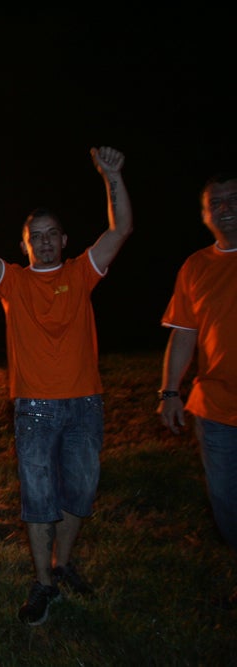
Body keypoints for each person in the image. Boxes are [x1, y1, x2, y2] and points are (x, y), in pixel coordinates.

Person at [0, 146, 133, 626]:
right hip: (33, 407)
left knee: (80, 490)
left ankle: (63, 562)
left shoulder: (80, 274)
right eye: (36, 237)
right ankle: (43, 583)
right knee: (38, 498)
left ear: (64, 239)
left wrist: (111, 179)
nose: (46, 242)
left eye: (53, 234)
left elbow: (119, 231)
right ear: (25, 245)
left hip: (85, 404)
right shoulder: (13, 283)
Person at [157, 172, 237, 609]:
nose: (225, 207)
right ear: (205, 215)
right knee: (226, 505)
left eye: (233, 199)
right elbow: (184, 334)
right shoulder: (196, 267)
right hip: (216, 408)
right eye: (216, 203)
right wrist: (170, 392)